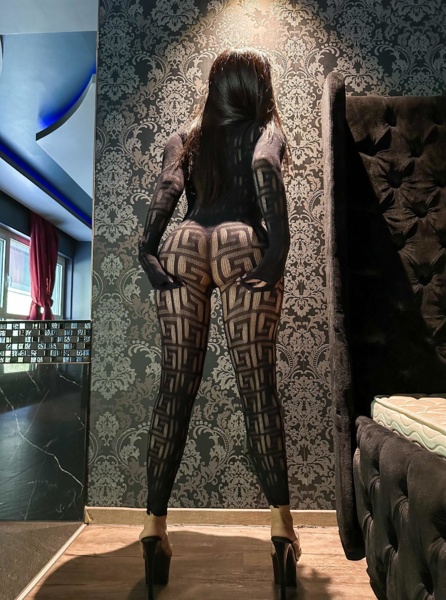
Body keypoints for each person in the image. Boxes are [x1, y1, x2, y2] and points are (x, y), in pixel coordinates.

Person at [138, 47, 300, 600]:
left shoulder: (189, 134)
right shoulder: (265, 129)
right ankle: (281, 528)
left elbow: (168, 183)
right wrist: (276, 249)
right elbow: (265, 167)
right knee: (258, 389)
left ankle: (153, 527)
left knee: (174, 389)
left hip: (185, 242)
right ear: (257, 87)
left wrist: (147, 248)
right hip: (238, 241)